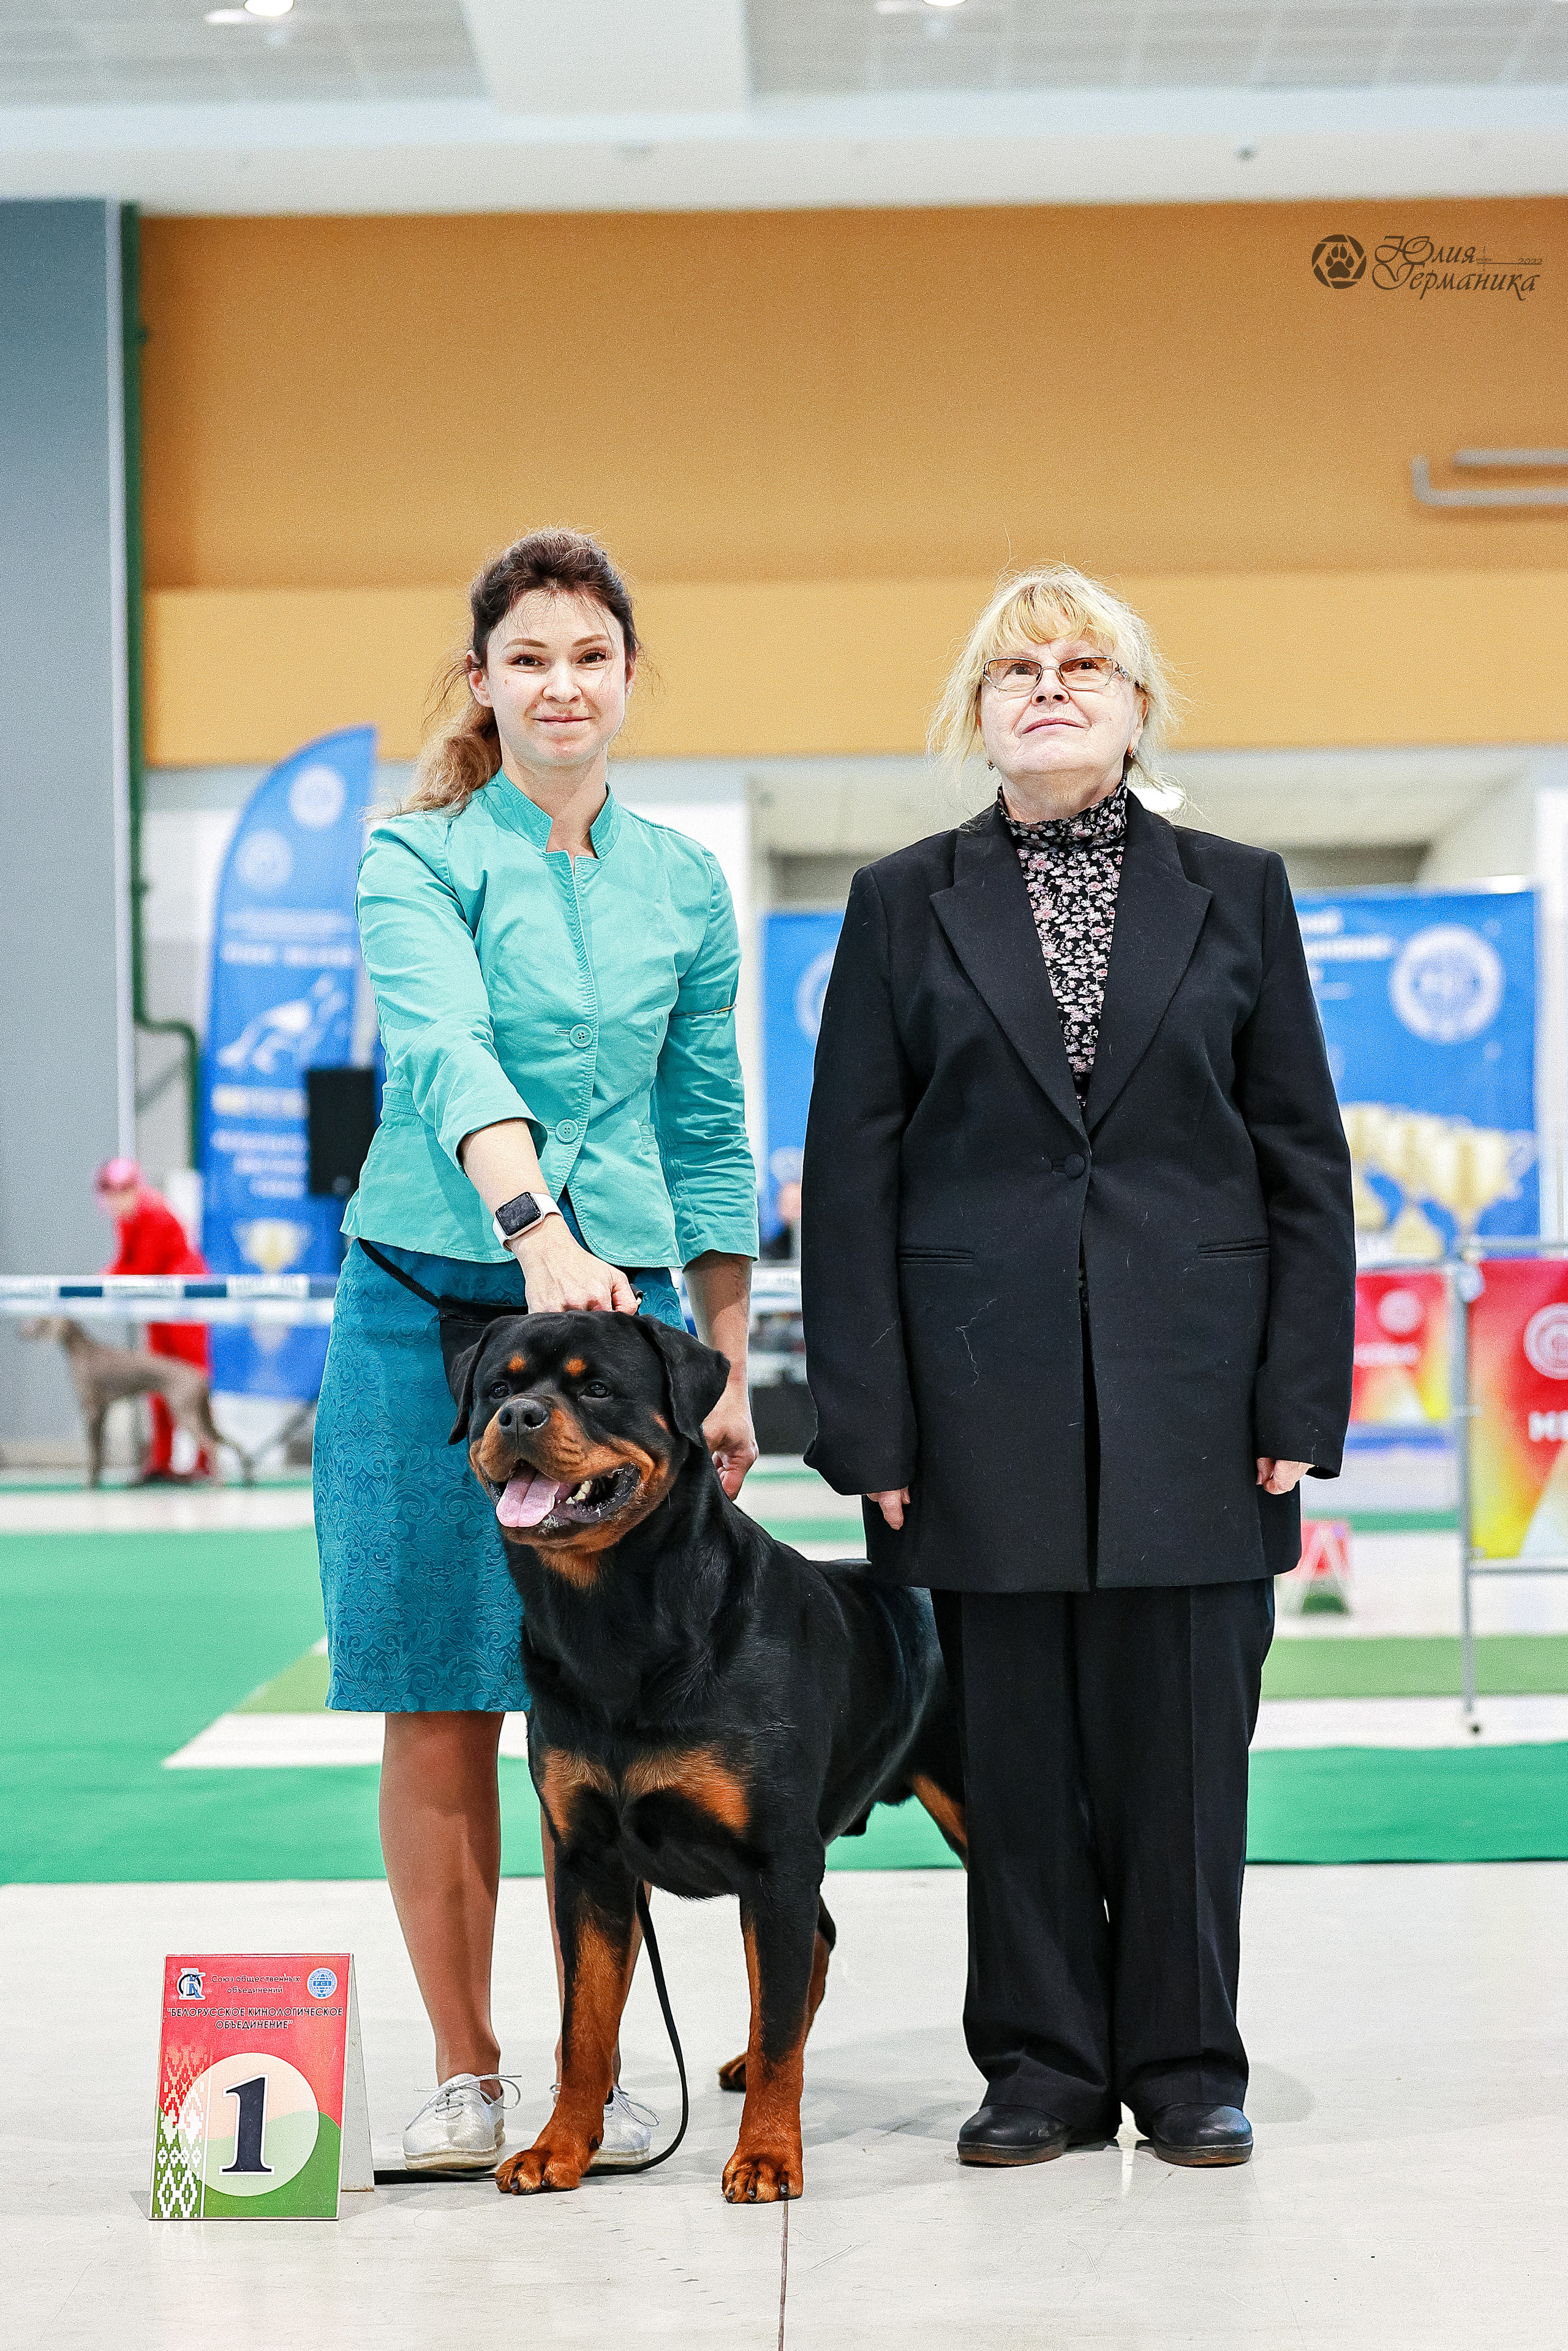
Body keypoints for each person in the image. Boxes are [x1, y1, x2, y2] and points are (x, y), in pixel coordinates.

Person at [801, 565, 1354, 2172]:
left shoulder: (1237, 891)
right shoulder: (904, 901)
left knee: (1187, 1748)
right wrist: (870, 1419)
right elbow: (855, 1178)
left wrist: (1295, 1395)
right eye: (1016, 666)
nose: (1050, 683)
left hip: (1201, 1394)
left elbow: (1302, 1160)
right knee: (1017, 1751)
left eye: (1083, 663)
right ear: (976, 714)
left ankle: (1187, 2059)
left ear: (1135, 707)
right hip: (975, 1403)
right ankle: (1040, 2060)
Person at [314, 529, 758, 2173]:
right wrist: (531, 1226)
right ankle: (464, 2069)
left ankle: (597, 2064)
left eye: (592, 656)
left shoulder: (684, 885)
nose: (563, 685)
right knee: (436, 1695)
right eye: (531, 659)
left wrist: (721, 1351)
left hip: (622, 1341)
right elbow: (440, 1039)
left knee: (615, 1712)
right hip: (424, 1306)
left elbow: (708, 1126)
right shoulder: (415, 851)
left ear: (627, 679)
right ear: (485, 682)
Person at [94, 1158, 213, 1482]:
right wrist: (106, 1276)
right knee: (158, 1380)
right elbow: (127, 1263)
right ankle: (161, 1460)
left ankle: (205, 1461)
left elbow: (143, 1267)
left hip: (184, 1302)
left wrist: (102, 1279)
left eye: (124, 1191)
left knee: (191, 1379)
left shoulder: (155, 1213)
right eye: (111, 1192)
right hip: (159, 1304)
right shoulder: (127, 1219)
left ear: (136, 1189)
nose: (117, 1199)